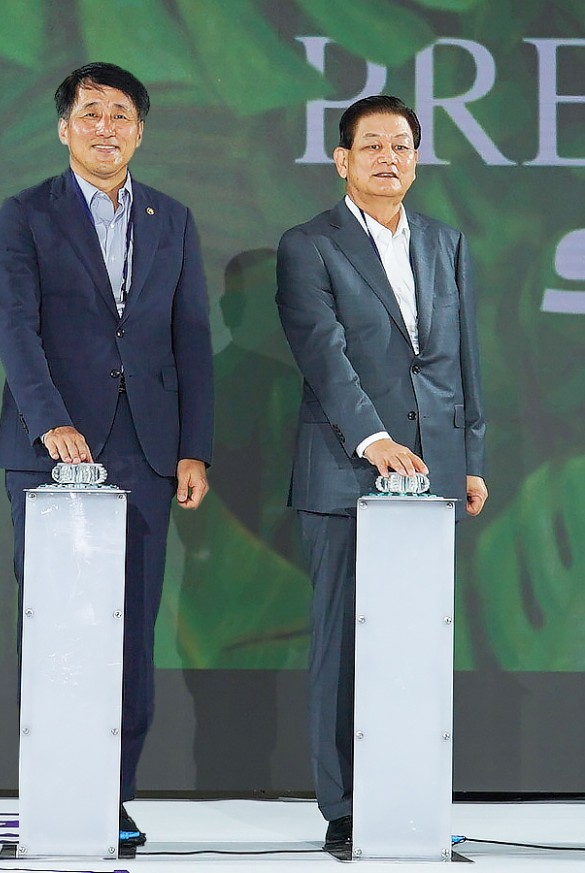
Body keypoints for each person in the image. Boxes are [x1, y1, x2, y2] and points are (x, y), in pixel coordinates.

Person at [0, 62, 214, 852]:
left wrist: (193, 448)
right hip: (49, 453)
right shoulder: (26, 216)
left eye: (121, 113)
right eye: (91, 112)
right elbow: (15, 329)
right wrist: (49, 422)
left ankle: (112, 798)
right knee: (55, 629)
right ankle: (50, 793)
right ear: (65, 128)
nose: (106, 126)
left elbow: (190, 338)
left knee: (130, 633)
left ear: (140, 130)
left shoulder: (171, 218)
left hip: (146, 451)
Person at [275, 95, 487, 860]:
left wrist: (470, 457)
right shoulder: (310, 244)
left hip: (431, 476)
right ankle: (343, 804)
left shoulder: (445, 242)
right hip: (344, 471)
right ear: (342, 160)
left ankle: (410, 790)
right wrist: (373, 438)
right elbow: (322, 353)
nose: (388, 157)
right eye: (371, 145)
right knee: (344, 642)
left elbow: (460, 360)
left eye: (401, 145)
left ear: (417, 160)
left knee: (418, 642)